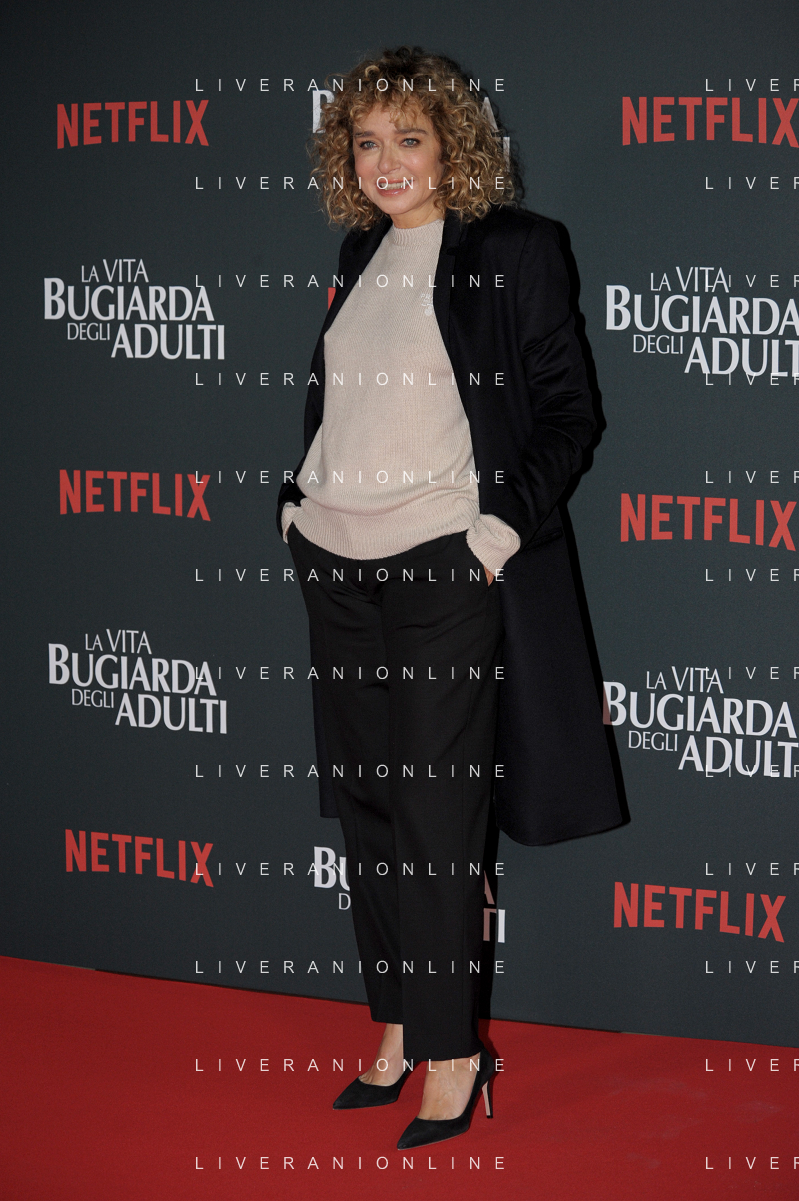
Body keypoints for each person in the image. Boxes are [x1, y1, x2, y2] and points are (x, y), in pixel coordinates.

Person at [277, 45, 623, 1150]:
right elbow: (342, 402)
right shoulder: (360, 249)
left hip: (442, 564)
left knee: (433, 819)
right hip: (335, 560)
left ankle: (454, 1051)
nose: (385, 162)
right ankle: (394, 1022)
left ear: (453, 145)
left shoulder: (516, 250)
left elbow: (568, 413)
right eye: (365, 142)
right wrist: (295, 503)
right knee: (370, 809)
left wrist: (493, 531)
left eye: (408, 138)